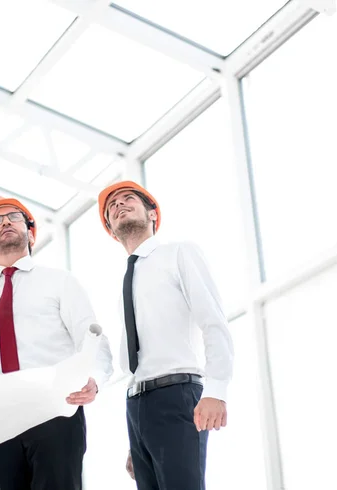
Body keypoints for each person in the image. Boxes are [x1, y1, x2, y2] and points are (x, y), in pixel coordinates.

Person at [0, 196, 113, 490]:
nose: (6, 221)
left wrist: (94, 379)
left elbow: (93, 337)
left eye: (14, 217)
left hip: (54, 408)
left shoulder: (60, 282)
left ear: (31, 233)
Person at [96, 181, 234, 490]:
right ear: (110, 229)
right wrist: (139, 436)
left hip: (177, 395)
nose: (119, 205)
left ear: (152, 214)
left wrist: (216, 389)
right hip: (138, 405)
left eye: (128, 198)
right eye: (112, 206)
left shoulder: (179, 253)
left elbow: (213, 320)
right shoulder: (126, 279)